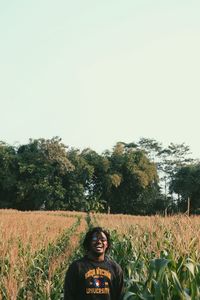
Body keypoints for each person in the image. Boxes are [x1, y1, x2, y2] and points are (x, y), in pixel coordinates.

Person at [64, 226, 124, 300]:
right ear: (88, 242)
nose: (99, 242)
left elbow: (119, 296)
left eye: (103, 240)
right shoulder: (76, 267)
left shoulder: (115, 269)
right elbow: (69, 296)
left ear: (107, 244)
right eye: (95, 239)